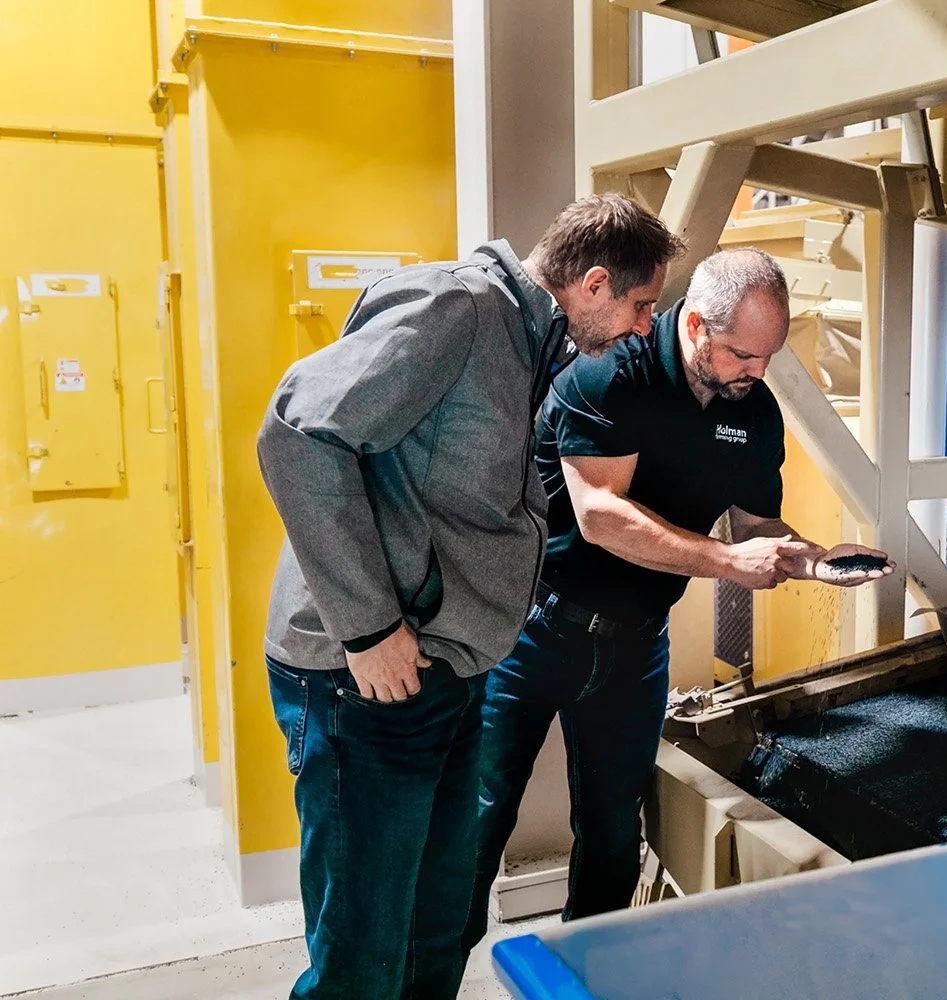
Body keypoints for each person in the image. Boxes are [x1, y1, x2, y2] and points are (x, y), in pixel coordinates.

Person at [256, 194, 685, 1000]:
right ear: (593, 283)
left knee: (441, 924)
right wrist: (369, 626)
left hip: (445, 670)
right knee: (363, 953)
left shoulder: (533, 344)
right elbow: (296, 436)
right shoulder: (457, 308)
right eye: (640, 305)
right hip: (367, 676)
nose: (641, 327)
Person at [464, 248, 892, 943]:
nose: (755, 374)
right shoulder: (610, 374)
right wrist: (725, 560)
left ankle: (585, 975)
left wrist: (814, 561)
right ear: (695, 325)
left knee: (610, 836)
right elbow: (601, 517)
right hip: (534, 632)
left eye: (767, 358)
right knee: (475, 824)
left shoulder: (752, 412)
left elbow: (757, 526)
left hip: (635, 649)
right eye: (740, 355)